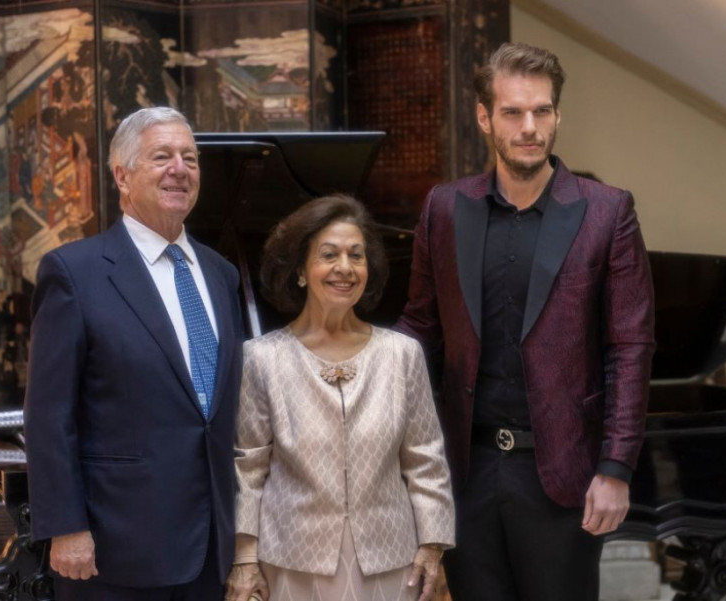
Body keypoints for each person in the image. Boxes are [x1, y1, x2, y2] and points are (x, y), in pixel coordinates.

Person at [395, 42, 656, 600]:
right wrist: (353, 370)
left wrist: (616, 467)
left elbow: (630, 347)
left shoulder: (608, 211)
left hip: (564, 474)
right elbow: (419, 329)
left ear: (558, 115)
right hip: (466, 473)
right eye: (513, 112)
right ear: (484, 117)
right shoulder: (444, 207)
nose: (530, 127)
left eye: (542, 111)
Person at [24, 106, 243, 600]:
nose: (180, 169)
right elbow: (49, 414)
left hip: (211, 548)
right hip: (115, 550)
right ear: (121, 176)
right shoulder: (74, 273)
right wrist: (66, 526)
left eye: (190, 158)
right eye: (162, 157)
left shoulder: (221, 274)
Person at [226, 195, 455, 601]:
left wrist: (433, 546)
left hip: (392, 561)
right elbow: (248, 469)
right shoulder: (262, 359)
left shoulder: (402, 354)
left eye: (356, 255)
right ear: (300, 270)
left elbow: (426, 460)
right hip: (291, 563)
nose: (345, 268)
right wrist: (244, 559)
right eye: (329, 255)